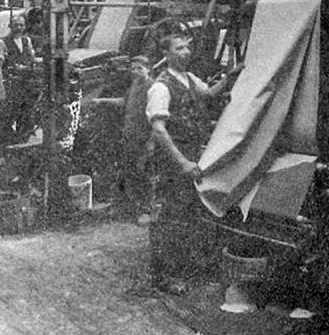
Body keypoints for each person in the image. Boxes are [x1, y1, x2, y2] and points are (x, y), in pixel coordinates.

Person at [145, 33, 241, 289]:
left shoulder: (188, 78)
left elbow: (208, 93)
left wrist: (229, 78)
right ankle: (164, 277)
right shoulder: (161, 87)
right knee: (170, 216)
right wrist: (183, 163)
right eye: (179, 48)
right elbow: (159, 130)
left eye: (187, 47)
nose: (186, 52)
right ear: (166, 54)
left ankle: (184, 268)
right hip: (173, 159)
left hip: (190, 154)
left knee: (188, 213)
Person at [89, 55, 155, 217]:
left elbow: (156, 117)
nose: (135, 71)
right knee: (129, 170)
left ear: (148, 69)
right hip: (130, 134)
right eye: (133, 68)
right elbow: (123, 102)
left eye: (139, 68)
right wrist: (101, 101)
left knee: (142, 173)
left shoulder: (152, 87)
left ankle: (146, 210)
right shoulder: (135, 84)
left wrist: (151, 141)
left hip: (144, 136)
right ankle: (128, 206)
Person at [0, 14, 41, 143]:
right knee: (8, 115)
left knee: (26, 113)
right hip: (11, 84)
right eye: (16, 25)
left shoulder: (27, 41)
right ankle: (5, 144)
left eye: (21, 25)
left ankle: (23, 141)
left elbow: (32, 59)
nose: (19, 28)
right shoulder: (1, 43)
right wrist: (0, 88)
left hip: (26, 84)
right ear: (10, 26)